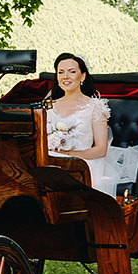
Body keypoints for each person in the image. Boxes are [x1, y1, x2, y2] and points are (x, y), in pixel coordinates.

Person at [45, 52, 117, 196]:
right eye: (61, 72)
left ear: (82, 76)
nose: (66, 76)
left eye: (72, 72)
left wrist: (70, 154)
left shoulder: (95, 107)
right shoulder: (49, 106)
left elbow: (101, 149)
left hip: (83, 164)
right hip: (52, 163)